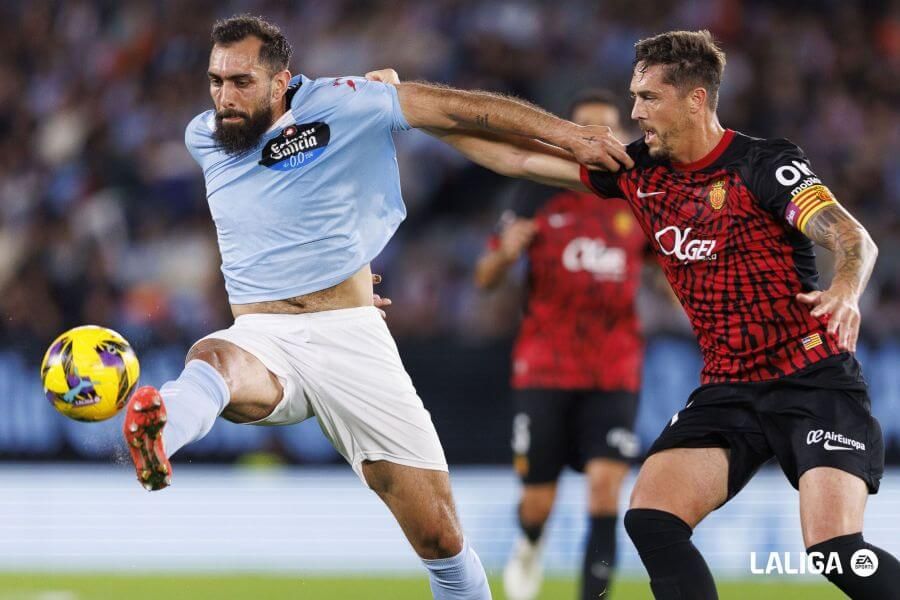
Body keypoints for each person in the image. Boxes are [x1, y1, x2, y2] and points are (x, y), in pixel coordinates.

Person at [373, 28, 899, 599]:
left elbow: (851, 237)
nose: (634, 112)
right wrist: (410, 111)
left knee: (836, 554)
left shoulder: (765, 165)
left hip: (813, 380)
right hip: (730, 388)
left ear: (695, 99)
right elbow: (515, 157)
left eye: (648, 98)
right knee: (651, 516)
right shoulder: (636, 171)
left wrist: (845, 289)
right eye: (634, 96)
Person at [121, 15, 630, 600]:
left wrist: (573, 137)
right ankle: (162, 435)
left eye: (240, 82)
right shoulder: (206, 135)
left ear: (281, 80)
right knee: (213, 359)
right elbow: (286, 205)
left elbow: (466, 112)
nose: (223, 98)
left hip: (351, 337)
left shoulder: (347, 103)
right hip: (263, 334)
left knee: (440, 537)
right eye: (215, 81)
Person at [472, 90, 645, 600]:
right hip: (545, 368)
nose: (596, 139)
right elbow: (484, 278)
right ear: (569, 136)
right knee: (538, 504)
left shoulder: (637, 200)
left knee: (605, 488)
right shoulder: (534, 195)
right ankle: (529, 545)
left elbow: (671, 264)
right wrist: (506, 254)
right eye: (585, 129)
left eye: (606, 129)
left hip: (614, 367)